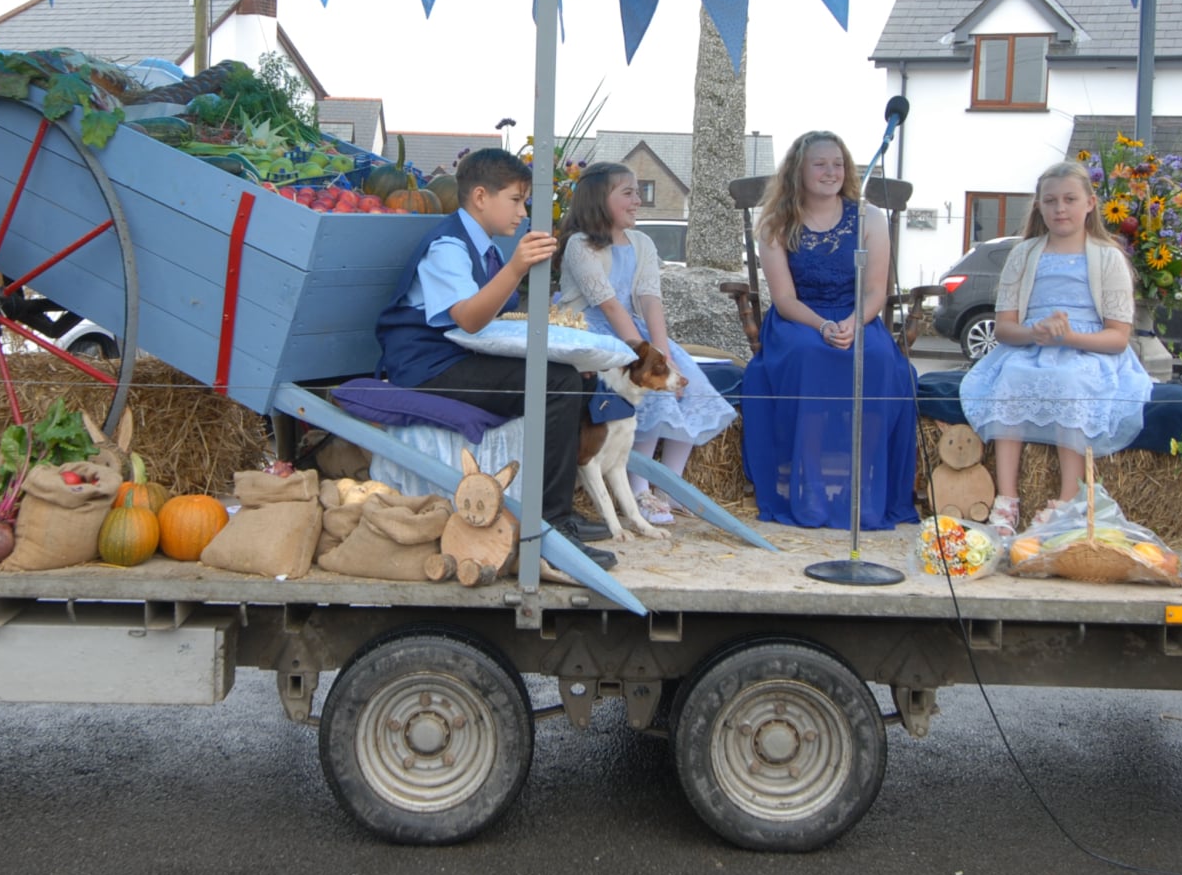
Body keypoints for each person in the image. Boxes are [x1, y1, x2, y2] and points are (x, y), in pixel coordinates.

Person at [374, 147, 616, 569]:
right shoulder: (449, 247)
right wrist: (517, 268)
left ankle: (560, 512)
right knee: (556, 385)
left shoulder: (483, 247)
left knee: (576, 378)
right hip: (427, 368)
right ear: (481, 197)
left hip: (455, 357)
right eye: (517, 200)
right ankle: (550, 528)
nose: (523, 212)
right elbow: (469, 319)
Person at [958, 159, 1152, 535]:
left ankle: (1067, 499)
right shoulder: (1025, 254)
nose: (1060, 209)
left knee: (1069, 382)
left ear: (1090, 204)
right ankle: (1007, 499)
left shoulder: (1108, 257)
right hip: (1032, 345)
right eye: (1050, 201)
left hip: (1087, 350)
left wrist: (1069, 338)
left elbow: (1117, 337)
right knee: (1011, 378)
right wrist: (1036, 333)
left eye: (1069, 199)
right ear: (1039, 206)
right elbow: (1005, 328)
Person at [741, 131, 919, 530]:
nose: (831, 171)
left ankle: (864, 485)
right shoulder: (776, 223)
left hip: (858, 314)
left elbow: (876, 288)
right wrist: (822, 325)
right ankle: (811, 484)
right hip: (800, 318)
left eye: (838, 164)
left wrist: (855, 323)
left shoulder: (869, 218)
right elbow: (784, 298)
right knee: (811, 355)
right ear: (798, 172)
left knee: (875, 358)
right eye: (820, 164)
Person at [553, 163, 738, 524]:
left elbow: (650, 298)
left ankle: (669, 485)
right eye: (628, 193)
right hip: (595, 332)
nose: (638, 200)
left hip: (635, 331)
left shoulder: (642, 243)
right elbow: (606, 303)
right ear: (598, 199)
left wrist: (663, 350)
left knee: (690, 385)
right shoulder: (580, 245)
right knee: (652, 395)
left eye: (638, 192)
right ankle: (639, 490)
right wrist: (644, 358)